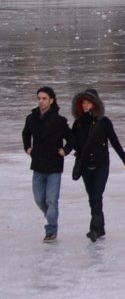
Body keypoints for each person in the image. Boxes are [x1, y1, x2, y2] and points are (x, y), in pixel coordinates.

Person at [70, 89, 125, 242]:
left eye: (88, 102)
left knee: (96, 196)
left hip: (101, 165)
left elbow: (115, 142)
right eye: (83, 102)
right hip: (85, 166)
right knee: (93, 197)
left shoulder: (104, 122)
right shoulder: (78, 123)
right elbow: (71, 142)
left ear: (96, 104)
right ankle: (101, 227)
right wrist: (59, 152)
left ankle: (94, 229)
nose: (85, 105)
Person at [21, 86, 73, 242]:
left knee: (51, 200)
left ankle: (51, 230)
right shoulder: (31, 118)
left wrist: (65, 150)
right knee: (39, 199)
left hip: (54, 166)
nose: (41, 101)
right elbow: (25, 133)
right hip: (37, 164)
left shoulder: (59, 121)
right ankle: (52, 217)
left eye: (44, 98)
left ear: (51, 100)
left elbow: (71, 138)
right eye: (39, 98)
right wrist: (27, 147)